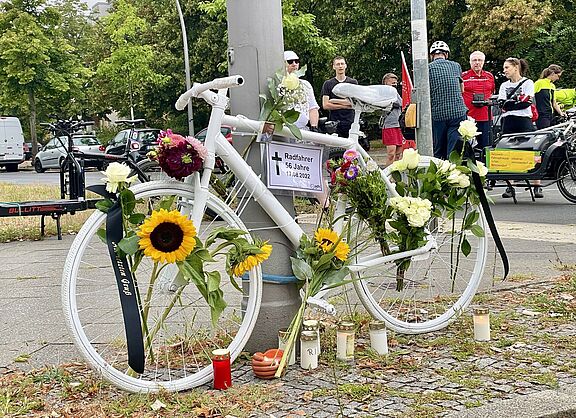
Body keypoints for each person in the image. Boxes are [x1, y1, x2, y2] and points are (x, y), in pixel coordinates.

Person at [497, 57, 541, 198]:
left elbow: (526, 102)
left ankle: (537, 185)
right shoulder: (504, 85)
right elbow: (502, 104)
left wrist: (512, 103)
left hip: (524, 120)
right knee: (507, 152)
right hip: (508, 121)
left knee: (531, 150)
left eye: (506, 68)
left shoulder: (528, 83)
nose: (504, 71)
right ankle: (510, 186)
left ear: (516, 67)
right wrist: (516, 101)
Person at [428, 41, 469, 160]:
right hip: (457, 113)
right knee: (454, 150)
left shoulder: (427, 68)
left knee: (438, 150)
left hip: (437, 114)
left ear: (432, 56)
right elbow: (462, 89)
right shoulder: (456, 65)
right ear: (446, 54)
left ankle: (438, 172)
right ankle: (452, 173)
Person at [462, 51, 495, 150]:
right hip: (469, 118)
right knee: (468, 148)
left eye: (479, 60)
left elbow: (492, 92)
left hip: (486, 117)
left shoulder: (489, 76)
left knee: (486, 147)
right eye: (474, 60)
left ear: (483, 62)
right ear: (470, 62)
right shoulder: (463, 76)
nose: (477, 63)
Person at [321, 56, 358, 137]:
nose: (340, 66)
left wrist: (333, 101)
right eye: (338, 64)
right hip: (334, 123)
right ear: (334, 67)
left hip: (351, 121)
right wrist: (346, 104)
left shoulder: (353, 82)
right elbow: (325, 105)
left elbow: (354, 104)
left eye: (342, 64)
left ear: (345, 65)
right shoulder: (328, 84)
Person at [284, 50, 319, 131]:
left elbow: (313, 107)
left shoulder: (306, 85)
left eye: (296, 61)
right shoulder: (279, 84)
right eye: (290, 61)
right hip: (284, 131)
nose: (294, 64)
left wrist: (314, 127)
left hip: (304, 131)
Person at [380, 73, 404, 166]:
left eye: (395, 82)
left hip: (398, 125)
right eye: (392, 82)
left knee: (398, 154)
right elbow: (395, 104)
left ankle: (395, 177)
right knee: (391, 153)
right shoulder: (383, 93)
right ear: (386, 82)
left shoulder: (395, 92)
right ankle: (387, 175)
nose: (394, 84)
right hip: (389, 125)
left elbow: (401, 103)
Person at [534, 64, 565, 129]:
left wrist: (561, 113)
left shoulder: (552, 86)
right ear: (553, 73)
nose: (558, 78)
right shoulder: (539, 83)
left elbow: (554, 102)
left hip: (551, 115)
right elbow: (530, 97)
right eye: (558, 76)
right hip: (542, 115)